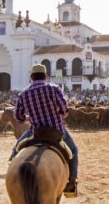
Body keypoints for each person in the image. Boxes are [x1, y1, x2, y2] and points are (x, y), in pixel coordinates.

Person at [11, 64, 79, 197]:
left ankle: (14, 179)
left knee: (15, 149)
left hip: (35, 131)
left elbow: (18, 117)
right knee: (74, 151)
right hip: (56, 130)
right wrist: (61, 113)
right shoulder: (54, 88)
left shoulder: (23, 93)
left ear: (31, 77)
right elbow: (64, 109)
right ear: (45, 76)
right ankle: (71, 183)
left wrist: (27, 117)